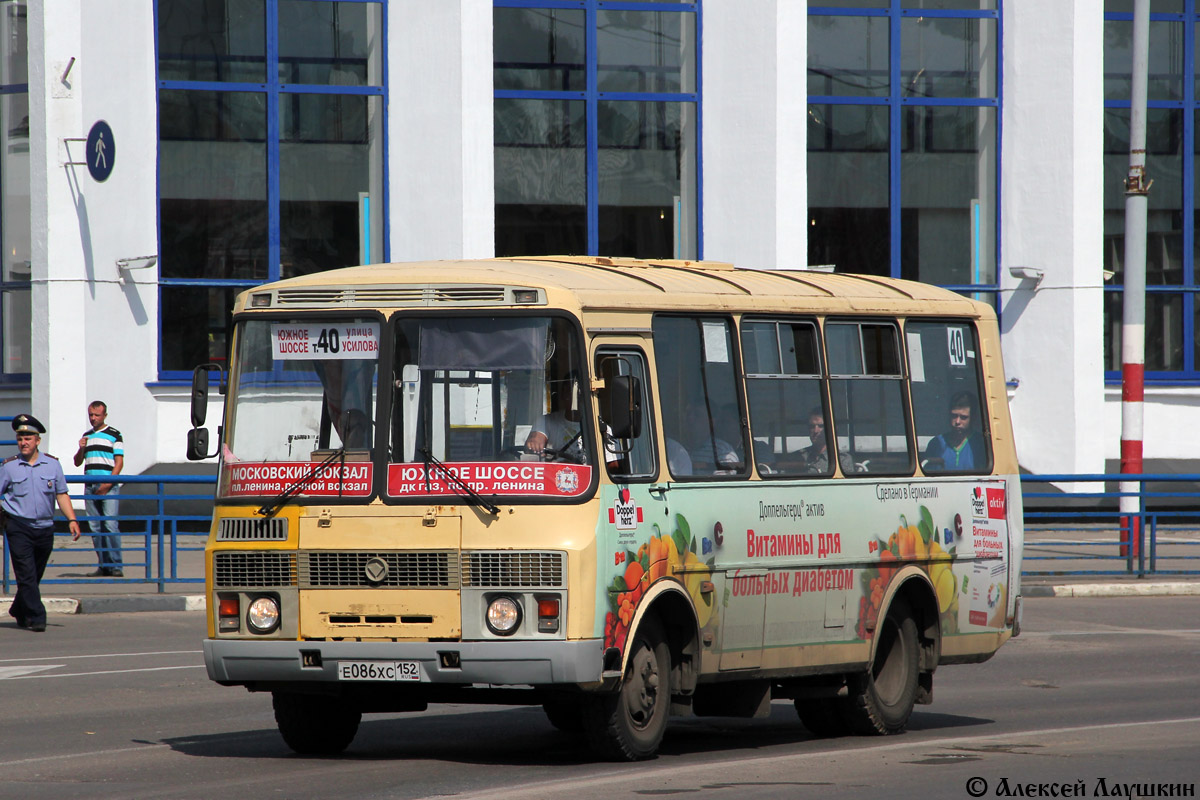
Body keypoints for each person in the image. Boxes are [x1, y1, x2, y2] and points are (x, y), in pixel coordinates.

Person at [2, 414, 81, 632]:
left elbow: (62, 494)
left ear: (38, 440)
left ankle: (19, 609)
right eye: (20, 438)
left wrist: (72, 519)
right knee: (26, 574)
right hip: (19, 526)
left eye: (28, 438)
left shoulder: (52, 465)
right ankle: (37, 617)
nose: (23, 442)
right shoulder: (9, 466)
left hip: (45, 528)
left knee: (34, 576)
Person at [73, 400, 124, 577]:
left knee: (110, 525)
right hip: (90, 485)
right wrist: (81, 449)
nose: (93, 419)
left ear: (104, 416)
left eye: (97, 415)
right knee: (95, 527)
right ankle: (103, 565)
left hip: (108, 485)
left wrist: (108, 483)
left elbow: (119, 462)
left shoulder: (114, 435)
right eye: (91, 415)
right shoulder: (87, 436)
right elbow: (78, 461)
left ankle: (116, 565)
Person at [923, 391, 982, 471]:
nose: (957, 421)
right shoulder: (936, 444)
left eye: (963, 417)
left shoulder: (981, 444)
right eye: (954, 416)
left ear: (973, 418)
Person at [800, 407, 855, 474]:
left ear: (832, 429)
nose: (815, 431)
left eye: (821, 426)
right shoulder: (799, 457)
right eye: (812, 426)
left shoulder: (842, 460)